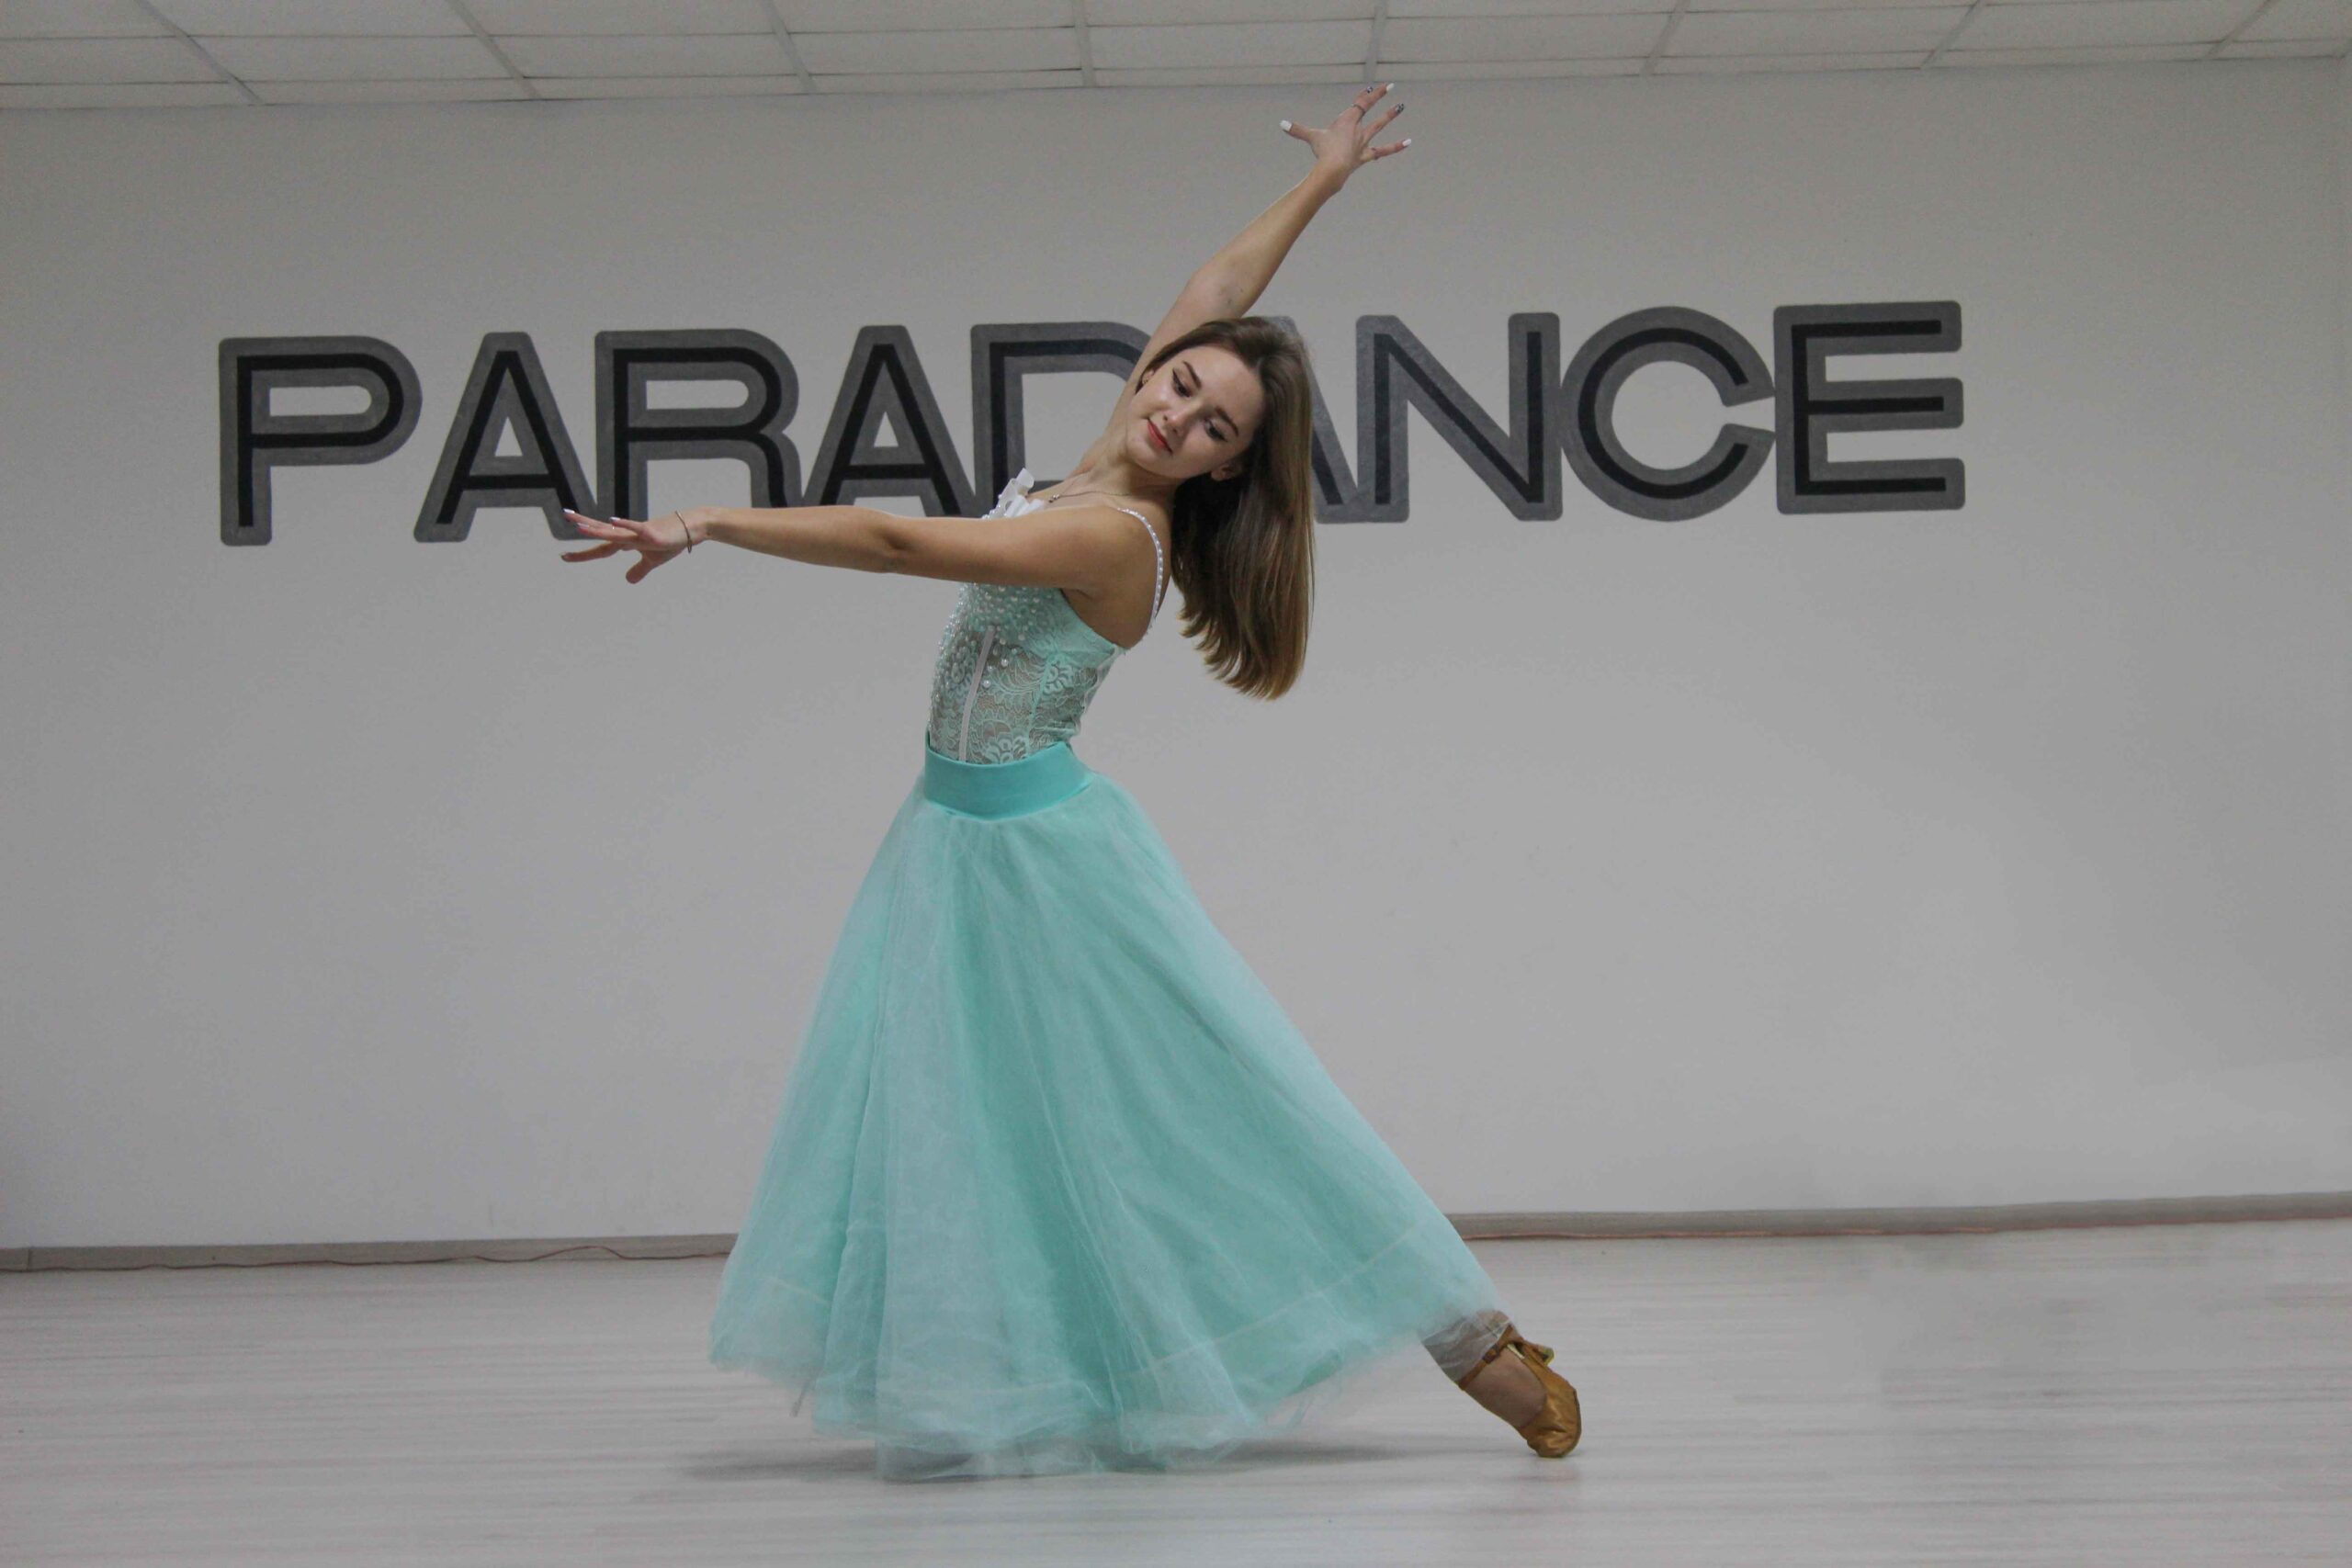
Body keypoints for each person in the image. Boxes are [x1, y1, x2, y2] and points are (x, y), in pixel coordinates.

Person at [562, 84, 1578, 1482]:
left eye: (1213, 427)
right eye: (1180, 384)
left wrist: (708, 520)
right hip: (952, 843)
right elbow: (1218, 292)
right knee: (988, 1138)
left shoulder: (1115, 534)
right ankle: (1021, 1375)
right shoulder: (1121, 441)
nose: (1178, 414)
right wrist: (1323, 183)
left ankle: (1475, 1342)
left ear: (1226, 470)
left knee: (1214, 1106)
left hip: (1044, 864)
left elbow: (899, 547)